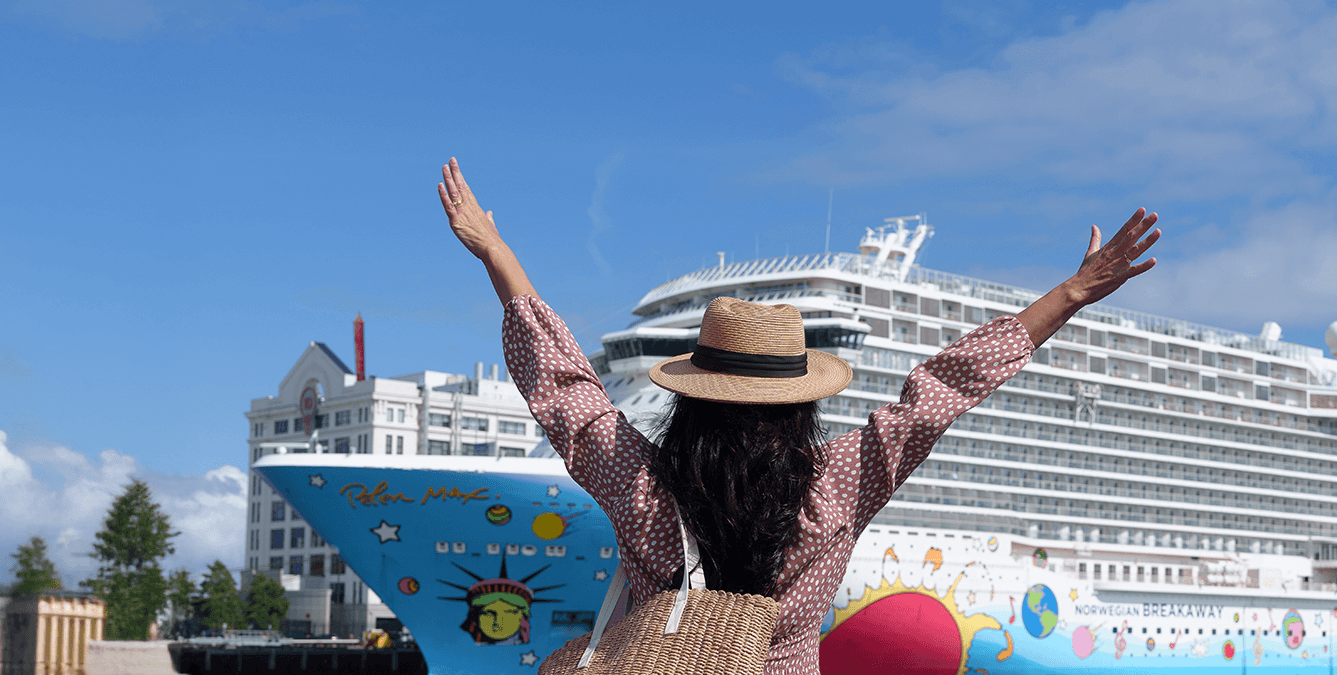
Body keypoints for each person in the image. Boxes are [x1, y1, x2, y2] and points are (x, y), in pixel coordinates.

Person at [437, 157, 1161, 674]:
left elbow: (568, 393)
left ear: (691, 397)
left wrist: (495, 252)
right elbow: (938, 392)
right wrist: (1069, 293)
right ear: (797, 404)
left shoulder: (643, 487)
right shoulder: (839, 483)